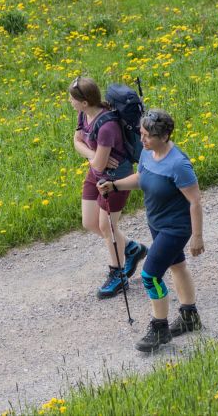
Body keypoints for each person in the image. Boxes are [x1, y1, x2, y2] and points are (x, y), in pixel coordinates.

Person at [97, 109, 205, 352]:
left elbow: (195, 202)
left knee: (150, 276)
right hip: (156, 222)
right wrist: (114, 186)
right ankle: (190, 316)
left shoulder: (179, 164)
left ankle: (159, 328)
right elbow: (141, 178)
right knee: (177, 266)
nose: (142, 140)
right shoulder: (148, 154)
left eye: (147, 136)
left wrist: (197, 236)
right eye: (141, 134)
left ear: (164, 136)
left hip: (176, 228)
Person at [70, 76, 148, 298]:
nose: (70, 102)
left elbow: (99, 163)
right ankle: (132, 248)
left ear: (85, 101)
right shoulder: (84, 114)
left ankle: (118, 275)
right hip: (95, 174)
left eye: (72, 99)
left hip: (115, 179)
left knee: (107, 227)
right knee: (89, 222)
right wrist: (92, 154)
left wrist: (94, 157)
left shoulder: (107, 127)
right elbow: (77, 141)